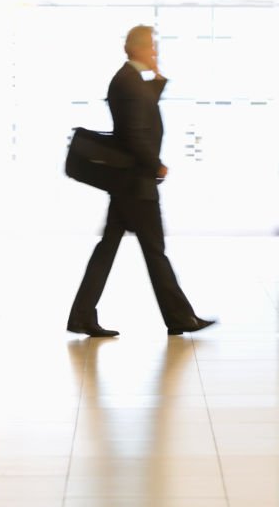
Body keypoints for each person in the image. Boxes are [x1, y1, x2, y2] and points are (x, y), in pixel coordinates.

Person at [67, 25, 216, 337]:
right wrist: (155, 164)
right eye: (151, 47)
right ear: (137, 48)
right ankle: (179, 318)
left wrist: (158, 79)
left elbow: (142, 111)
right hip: (135, 183)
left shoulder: (130, 80)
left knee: (110, 248)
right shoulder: (127, 83)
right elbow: (135, 132)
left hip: (128, 184)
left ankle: (82, 316)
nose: (155, 52)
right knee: (154, 251)